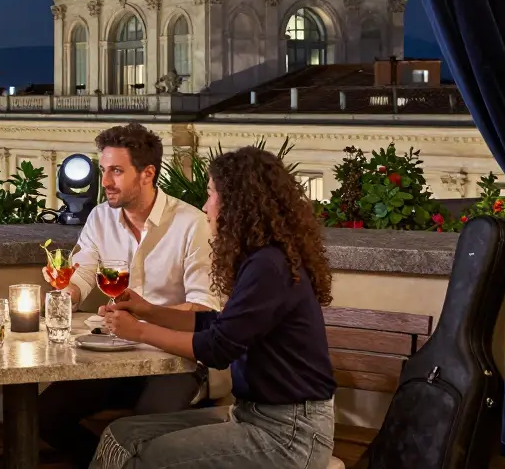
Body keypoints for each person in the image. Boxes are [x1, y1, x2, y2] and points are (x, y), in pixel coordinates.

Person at [91, 146, 337, 469]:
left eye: (210, 195)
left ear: (237, 203)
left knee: (143, 457)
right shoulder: (260, 260)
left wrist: (138, 331)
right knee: (120, 436)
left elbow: (218, 348)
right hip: (251, 415)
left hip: (289, 434)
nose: (206, 206)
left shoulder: (270, 267)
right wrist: (148, 310)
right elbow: (216, 325)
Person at [37, 122, 222, 468]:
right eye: (104, 170)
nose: (105, 181)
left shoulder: (190, 223)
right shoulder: (100, 218)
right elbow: (82, 277)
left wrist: (143, 316)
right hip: (115, 354)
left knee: (141, 431)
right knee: (43, 415)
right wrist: (65, 289)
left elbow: (204, 307)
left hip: (175, 360)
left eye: (117, 171)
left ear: (147, 173)